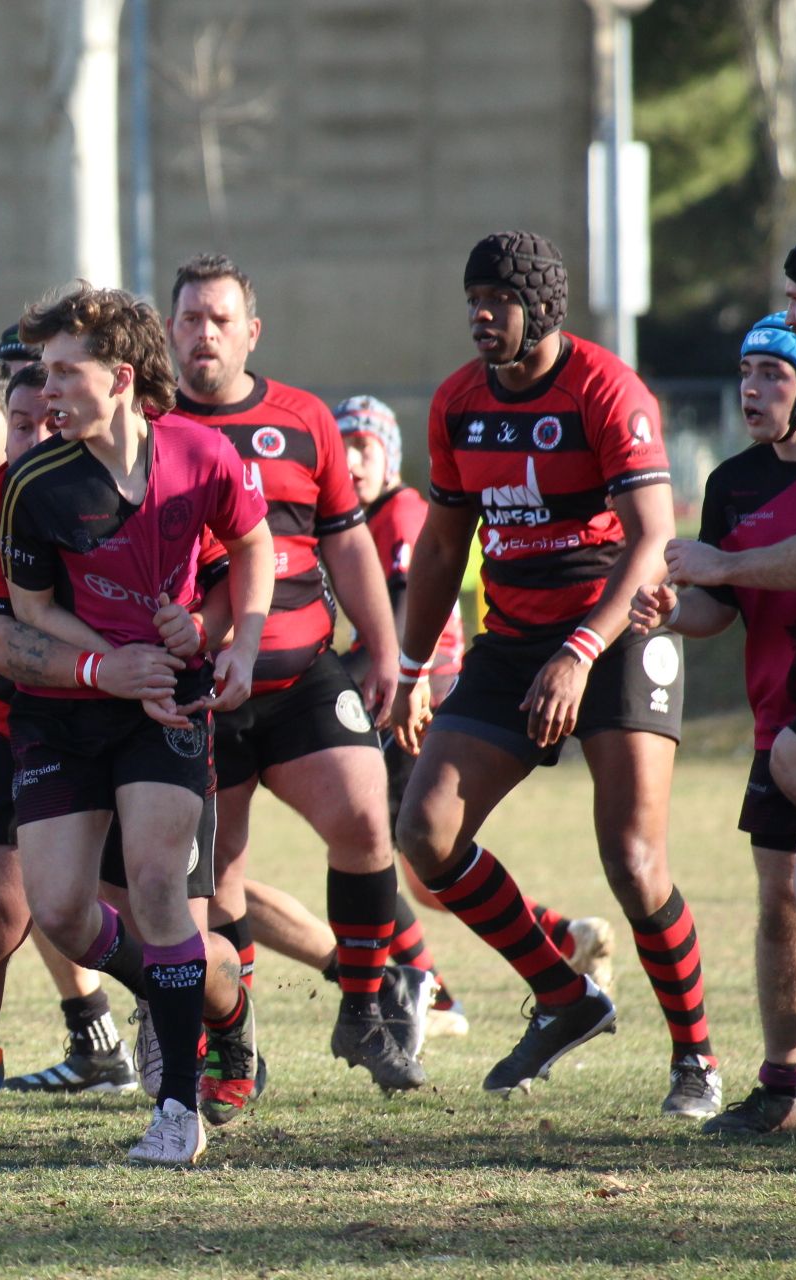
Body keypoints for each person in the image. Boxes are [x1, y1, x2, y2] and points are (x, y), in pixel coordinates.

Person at [392, 230, 717, 1117]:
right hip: (512, 640)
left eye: (496, 301)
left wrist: (580, 653)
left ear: (540, 308)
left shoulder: (607, 388)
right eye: (472, 301)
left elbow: (652, 537)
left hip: (618, 630)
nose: (479, 317)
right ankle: (567, 995)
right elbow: (441, 545)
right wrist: (410, 663)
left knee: (634, 860)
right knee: (424, 832)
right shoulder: (459, 401)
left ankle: (696, 1060)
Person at [0, 362, 197, 1160]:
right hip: (14, 729)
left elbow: (224, 564)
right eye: (11, 423)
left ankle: (206, 1013)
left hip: (135, 730)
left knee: (159, 912)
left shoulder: (127, 483)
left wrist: (206, 633)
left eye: (27, 422)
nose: (17, 439)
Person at [0, 283, 274, 1166]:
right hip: (67, 716)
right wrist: (112, 659)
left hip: (169, 706)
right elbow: (30, 605)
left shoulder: (202, 454)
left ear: (119, 378)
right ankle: (215, 996)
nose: (47, 393)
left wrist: (236, 641)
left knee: (160, 890)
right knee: (62, 913)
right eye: (42, 375)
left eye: (64, 373)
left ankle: (175, 1106)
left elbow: (255, 545)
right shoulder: (35, 484)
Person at [160, 254, 425, 1093]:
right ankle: (234, 1052)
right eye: (191, 319)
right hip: (200, 689)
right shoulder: (151, 425)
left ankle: (363, 1011)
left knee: (364, 820)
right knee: (219, 875)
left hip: (304, 671)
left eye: (220, 319)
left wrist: (385, 650)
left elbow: (349, 540)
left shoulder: (302, 418)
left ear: (252, 331)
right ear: (169, 331)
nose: (205, 333)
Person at [659, 219, 796, 1127]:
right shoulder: (734, 483)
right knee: (784, 898)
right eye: (743, 372)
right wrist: (673, 604)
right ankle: (783, 1085)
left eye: (771, 371)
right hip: (779, 717)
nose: (751, 389)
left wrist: (720, 568)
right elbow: (718, 609)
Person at [335, 395, 615, 1035]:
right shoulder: (366, 518)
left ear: (392, 457)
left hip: (422, 697)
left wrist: (330, 688)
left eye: (365, 446)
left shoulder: (402, 510)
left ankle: (432, 999)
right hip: (405, 692)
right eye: (342, 445)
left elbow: (408, 617)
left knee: (381, 848)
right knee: (419, 864)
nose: (351, 460)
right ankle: (562, 939)